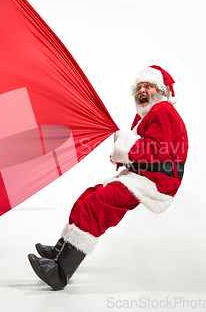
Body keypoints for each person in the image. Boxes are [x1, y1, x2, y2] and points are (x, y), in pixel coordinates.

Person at [28, 65, 188, 290]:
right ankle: (59, 251)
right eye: (139, 87)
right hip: (143, 175)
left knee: (97, 204)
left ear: (161, 91)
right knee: (89, 196)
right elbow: (142, 151)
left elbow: (158, 151)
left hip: (157, 181)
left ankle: (60, 272)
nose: (142, 90)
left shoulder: (162, 110)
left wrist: (125, 145)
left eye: (148, 86)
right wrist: (125, 153)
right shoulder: (146, 115)